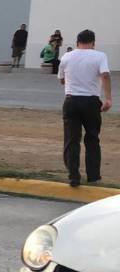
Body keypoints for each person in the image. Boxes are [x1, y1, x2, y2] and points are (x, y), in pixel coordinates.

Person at [59, 29, 112, 186]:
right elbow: (105, 75)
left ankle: (74, 176)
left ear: (77, 42)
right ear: (93, 43)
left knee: (71, 140)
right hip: (91, 102)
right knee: (92, 139)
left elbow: (62, 80)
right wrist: (108, 98)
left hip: (71, 101)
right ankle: (93, 176)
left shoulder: (67, 56)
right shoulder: (99, 56)